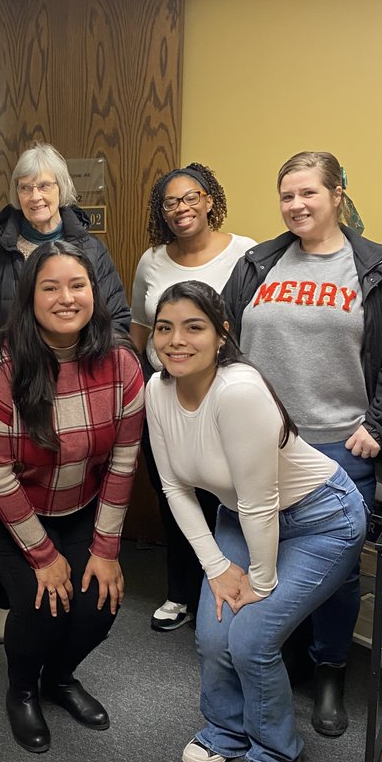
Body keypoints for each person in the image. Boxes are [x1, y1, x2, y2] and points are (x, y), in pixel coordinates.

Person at [223, 151, 382, 736]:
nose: (296, 205)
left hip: (340, 449)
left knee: (336, 574)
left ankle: (331, 669)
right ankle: (281, 656)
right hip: (263, 445)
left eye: (308, 193)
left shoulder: (381, 269)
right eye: (286, 195)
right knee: (268, 554)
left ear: (338, 195)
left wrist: (381, 426)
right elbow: (230, 343)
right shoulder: (258, 262)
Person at [145, 280, 367, 762]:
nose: (177, 340)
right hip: (239, 518)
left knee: (251, 636)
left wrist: (259, 584)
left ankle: (274, 749)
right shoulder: (156, 390)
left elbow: (260, 502)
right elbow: (175, 485)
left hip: (321, 519)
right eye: (165, 328)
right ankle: (225, 728)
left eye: (193, 327)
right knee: (214, 634)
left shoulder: (239, 390)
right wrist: (218, 570)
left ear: (222, 334)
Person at [0, 241, 143, 753]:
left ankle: (57, 680)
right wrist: (42, 557)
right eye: (51, 287)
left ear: (95, 292)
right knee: (42, 603)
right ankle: (21, 691)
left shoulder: (122, 363)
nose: (66, 298)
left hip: (77, 499)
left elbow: (123, 462)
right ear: (29, 298)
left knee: (100, 603)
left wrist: (105, 550)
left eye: (77, 285)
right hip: (1, 504)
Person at [0, 142, 131, 644]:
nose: (35, 196)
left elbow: (118, 322)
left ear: (62, 190)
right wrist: (1, 369)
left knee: (59, 494)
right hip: (6, 400)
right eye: (26, 187)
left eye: (45, 185)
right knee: (3, 483)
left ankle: (48, 599)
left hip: (76, 401)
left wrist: (80, 373)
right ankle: (8, 593)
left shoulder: (90, 250)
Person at [130, 162, 254, 632]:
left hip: (222, 395)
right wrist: (144, 379)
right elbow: (139, 328)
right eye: (170, 202)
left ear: (209, 199)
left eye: (190, 197)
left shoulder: (245, 253)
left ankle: (224, 584)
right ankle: (180, 592)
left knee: (224, 494)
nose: (180, 209)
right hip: (166, 396)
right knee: (174, 492)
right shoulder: (152, 259)